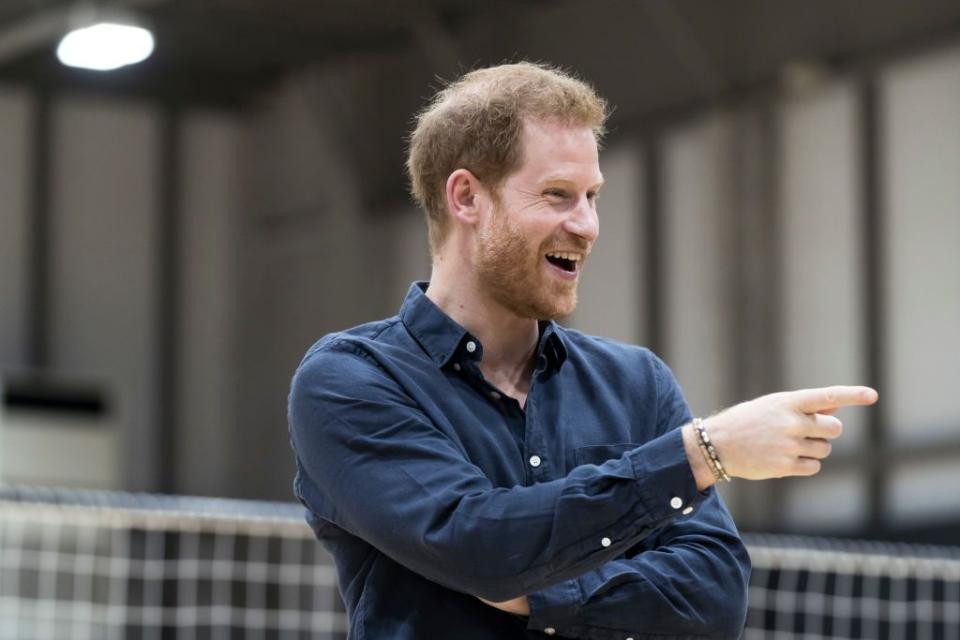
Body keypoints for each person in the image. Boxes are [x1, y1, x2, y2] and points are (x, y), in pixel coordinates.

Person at [287, 62, 878, 640]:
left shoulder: (635, 383)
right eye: (558, 195)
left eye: (592, 195)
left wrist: (534, 592)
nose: (588, 224)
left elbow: (715, 596)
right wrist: (700, 452)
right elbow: (476, 546)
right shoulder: (351, 380)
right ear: (467, 197)